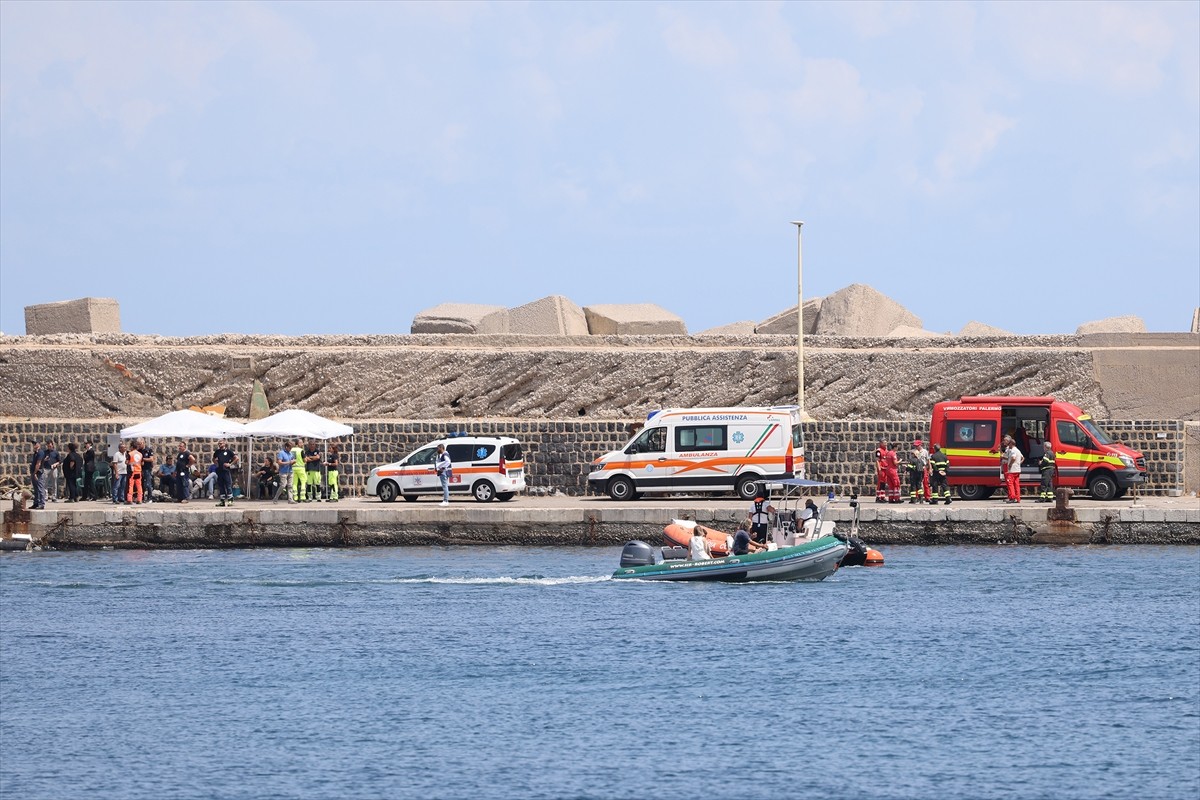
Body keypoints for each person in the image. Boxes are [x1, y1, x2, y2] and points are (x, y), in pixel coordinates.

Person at [213, 439, 239, 506]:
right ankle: (222, 501)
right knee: (221, 486)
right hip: (219, 470)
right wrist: (216, 463)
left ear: (224, 444)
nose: (220, 445)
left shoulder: (228, 451)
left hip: (226, 470)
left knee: (228, 485)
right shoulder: (217, 452)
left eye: (221, 443)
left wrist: (230, 464)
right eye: (219, 443)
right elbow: (213, 458)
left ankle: (230, 500)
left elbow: (236, 458)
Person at [1003, 436, 1023, 503]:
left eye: (1009, 444)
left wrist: (1010, 464)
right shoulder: (1018, 450)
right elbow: (1022, 458)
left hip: (1012, 470)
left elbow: (1013, 458)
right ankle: (1018, 498)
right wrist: (1018, 463)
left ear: (1011, 444)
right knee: (1016, 484)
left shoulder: (1013, 450)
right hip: (1017, 470)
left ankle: (1012, 498)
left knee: (1010, 484)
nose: (1008, 445)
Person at [29, 439, 46, 509]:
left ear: (39, 444)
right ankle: (36, 503)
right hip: (34, 472)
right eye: (33, 444)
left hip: (38, 473)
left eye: (35, 443)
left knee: (40, 488)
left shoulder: (40, 452)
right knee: (36, 489)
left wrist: (35, 473)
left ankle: (41, 504)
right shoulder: (36, 453)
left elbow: (38, 463)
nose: (34, 445)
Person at [139, 439, 156, 503]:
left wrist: (143, 459)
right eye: (138, 444)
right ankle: (142, 497)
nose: (139, 445)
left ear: (143, 443)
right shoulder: (139, 451)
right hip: (140, 469)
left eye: (140, 444)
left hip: (147, 469)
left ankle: (150, 497)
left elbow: (151, 459)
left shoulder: (148, 450)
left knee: (148, 484)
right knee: (141, 484)